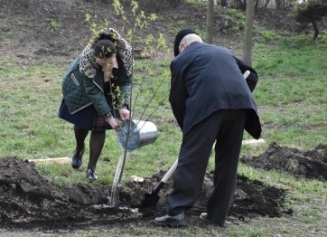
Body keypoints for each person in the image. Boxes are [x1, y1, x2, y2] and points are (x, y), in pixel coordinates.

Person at [154, 29, 262, 227]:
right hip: (240, 106)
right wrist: (235, 93)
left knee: (192, 158)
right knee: (228, 161)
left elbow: (177, 99)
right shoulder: (224, 51)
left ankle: (177, 212)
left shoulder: (181, 60)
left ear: (183, 47)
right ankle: (217, 215)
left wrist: (187, 128)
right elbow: (252, 76)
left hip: (207, 106)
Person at [58, 28, 133, 181]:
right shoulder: (88, 59)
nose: (106, 66)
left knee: (98, 127)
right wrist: (110, 118)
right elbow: (94, 93)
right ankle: (79, 148)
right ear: (96, 58)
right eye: (101, 63)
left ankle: (91, 168)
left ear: (115, 56)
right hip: (85, 87)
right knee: (82, 122)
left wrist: (123, 106)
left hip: (110, 85)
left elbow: (125, 82)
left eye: (110, 62)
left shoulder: (125, 54)